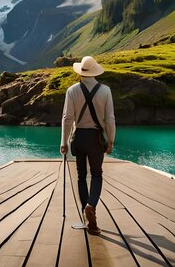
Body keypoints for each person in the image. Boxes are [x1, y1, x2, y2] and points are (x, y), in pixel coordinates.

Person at [60, 55, 115, 235]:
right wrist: (111, 140)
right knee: (97, 174)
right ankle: (91, 206)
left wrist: (63, 142)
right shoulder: (106, 90)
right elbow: (109, 119)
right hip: (96, 138)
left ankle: (86, 216)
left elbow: (67, 119)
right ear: (95, 70)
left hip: (79, 137)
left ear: (81, 71)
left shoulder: (72, 90)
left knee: (81, 176)